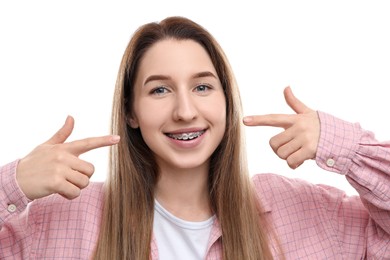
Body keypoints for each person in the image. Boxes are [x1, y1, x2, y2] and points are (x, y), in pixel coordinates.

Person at [0, 16, 389, 260]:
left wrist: (347, 149)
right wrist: (14, 184)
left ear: (226, 102)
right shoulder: (60, 220)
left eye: (202, 87)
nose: (185, 111)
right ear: (130, 112)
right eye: (159, 90)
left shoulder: (303, 211)